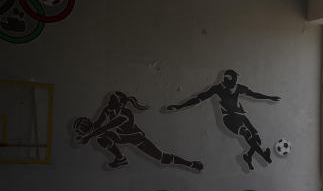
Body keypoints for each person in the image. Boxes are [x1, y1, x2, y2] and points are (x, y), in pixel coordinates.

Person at [166, 69, 280, 170]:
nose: (232, 88)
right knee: (247, 134)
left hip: (241, 115)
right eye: (230, 85)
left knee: (257, 139)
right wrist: (179, 106)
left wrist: (269, 98)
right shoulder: (217, 89)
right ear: (225, 82)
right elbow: (199, 98)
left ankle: (248, 156)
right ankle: (264, 156)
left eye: (234, 85)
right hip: (229, 118)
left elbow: (254, 94)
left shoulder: (239, 87)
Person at [74, 91, 202, 171]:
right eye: (110, 100)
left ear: (120, 104)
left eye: (112, 101)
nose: (109, 102)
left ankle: (190, 164)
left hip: (135, 138)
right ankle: (120, 159)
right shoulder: (108, 110)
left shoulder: (125, 114)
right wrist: (87, 131)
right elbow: (98, 125)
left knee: (162, 158)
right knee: (101, 137)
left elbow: (105, 127)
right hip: (119, 136)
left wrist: (87, 137)